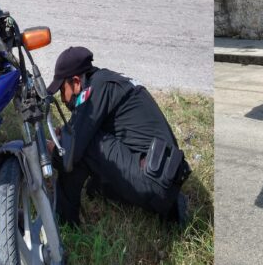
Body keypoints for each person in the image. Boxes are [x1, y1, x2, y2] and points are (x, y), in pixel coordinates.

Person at [45, 46, 191, 226]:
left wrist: (55, 149)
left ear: (76, 82)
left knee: (78, 147)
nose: (63, 99)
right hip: (163, 174)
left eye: (62, 90)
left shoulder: (95, 89)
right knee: (94, 187)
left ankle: (62, 220)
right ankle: (170, 206)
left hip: (153, 180)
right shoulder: (107, 81)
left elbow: (71, 154)